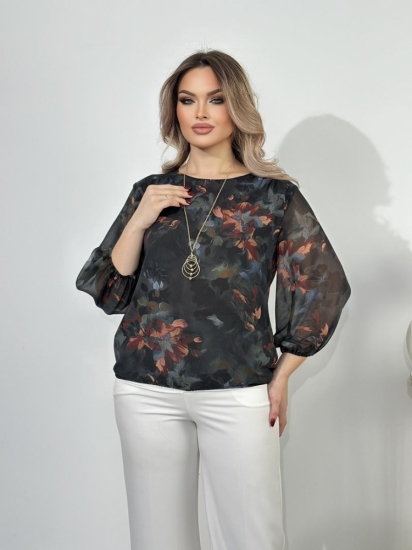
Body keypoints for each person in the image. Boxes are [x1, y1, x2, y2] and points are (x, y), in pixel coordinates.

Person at [75, 49, 351, 550]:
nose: (200, 113)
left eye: (215, 99)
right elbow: (111, 288)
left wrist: (283, 375)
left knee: (253, 538)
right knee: (157, 541)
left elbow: (322, 284)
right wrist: (140, 219)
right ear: (174, 111)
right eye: (188, 100)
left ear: (236, 107)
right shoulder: (150, 191)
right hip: (145, 389)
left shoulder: (273, 197)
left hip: (238, 388)